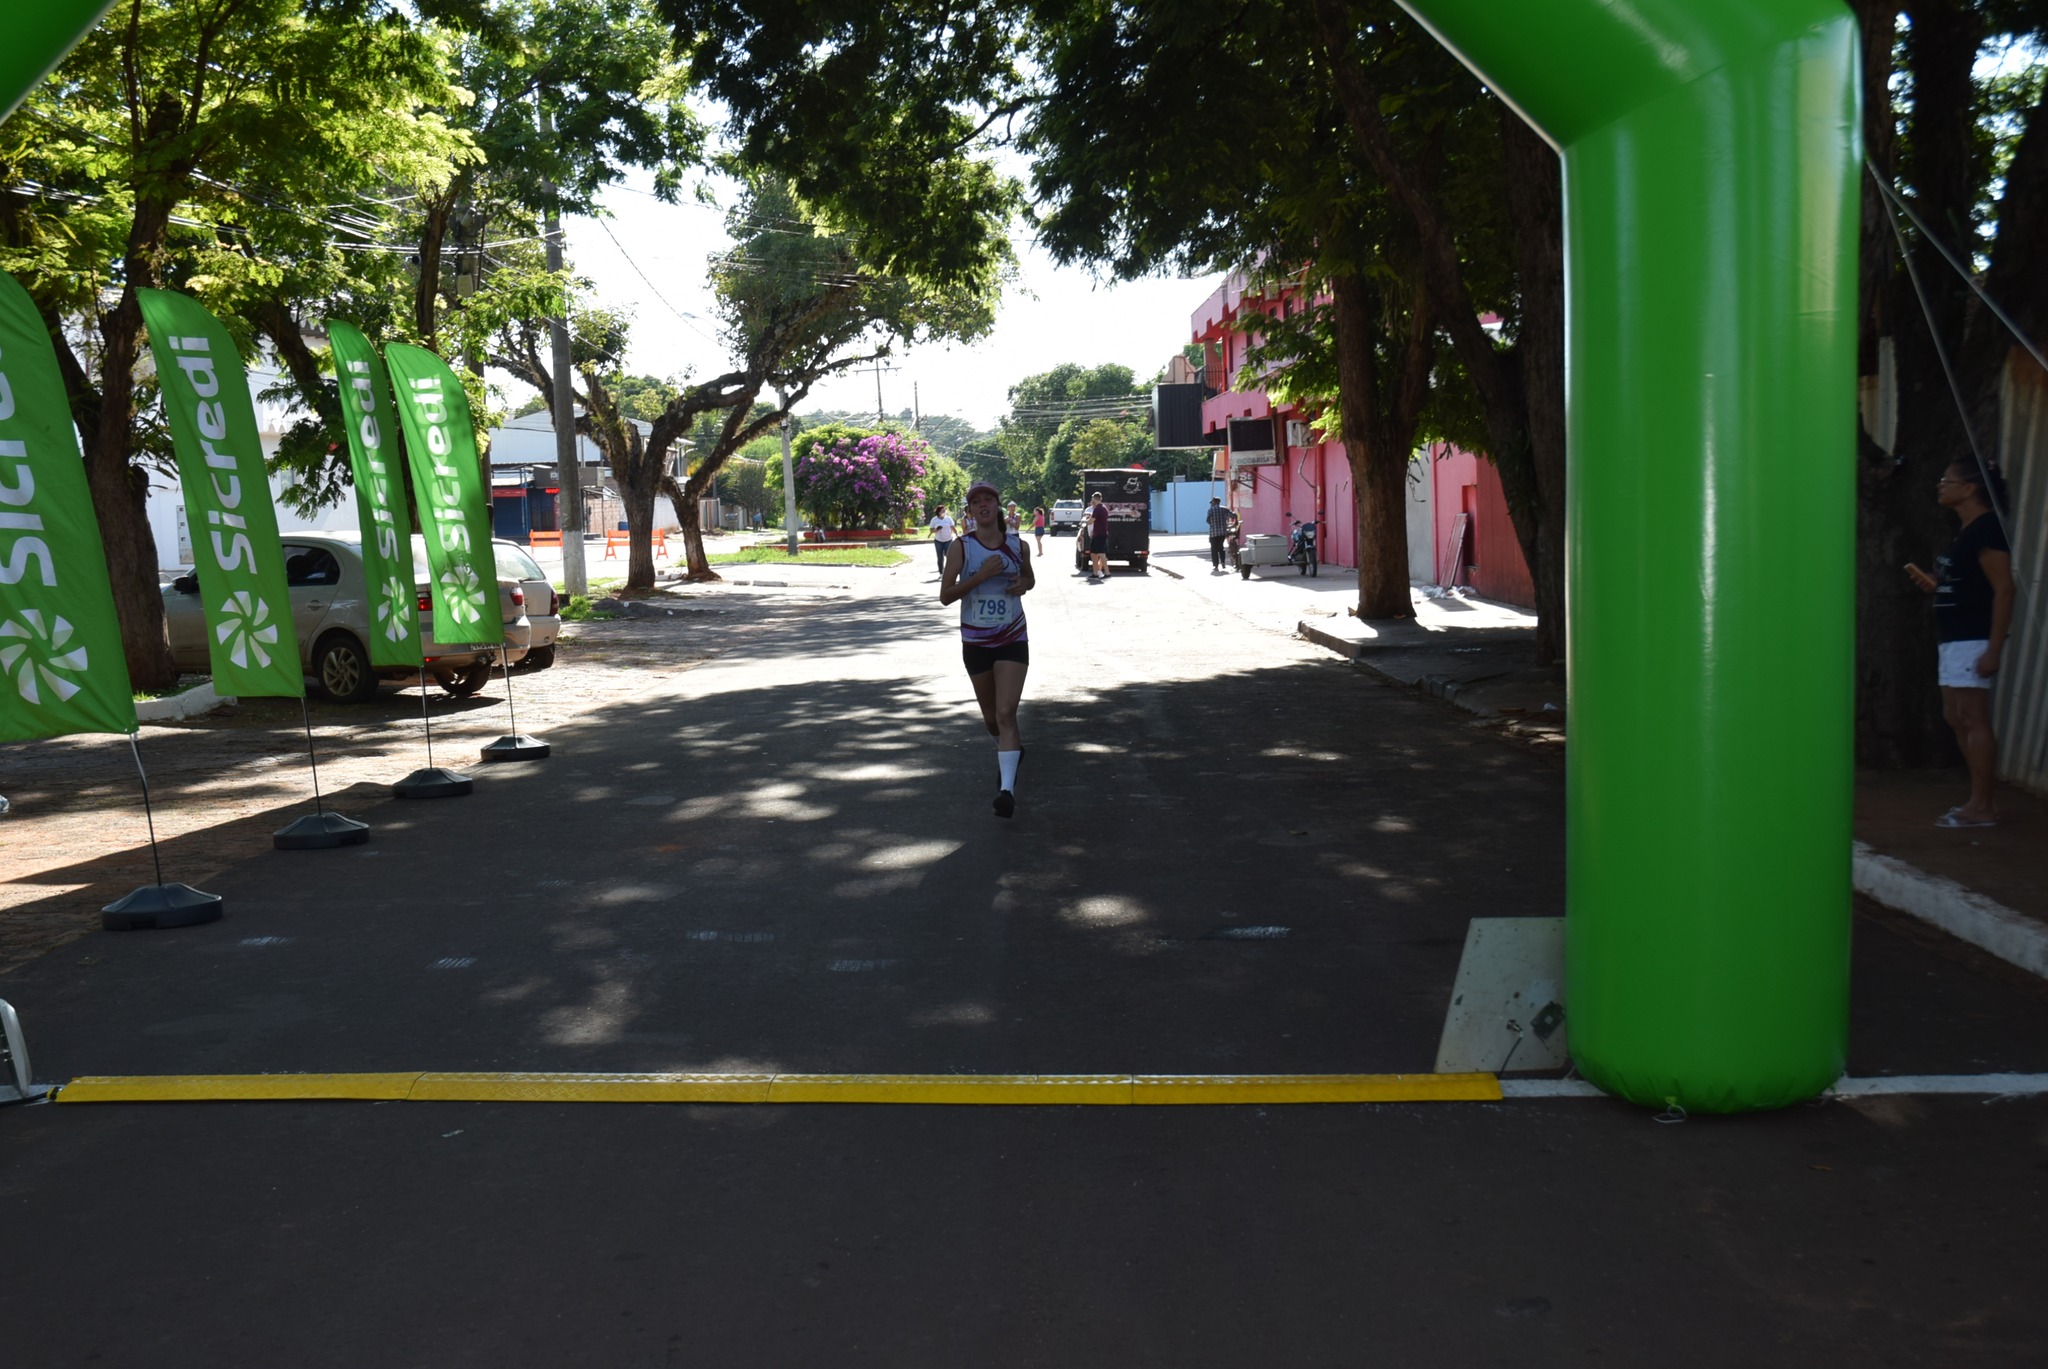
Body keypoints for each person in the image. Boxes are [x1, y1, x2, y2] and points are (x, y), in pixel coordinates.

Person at [1906, 460, 2014, 828]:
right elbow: (1967, 580)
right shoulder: (1966, 531)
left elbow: (2003, 589)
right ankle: (1978, 799)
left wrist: (1994, 648)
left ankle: (1983, 805)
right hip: (1952, 637)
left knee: (1972, 717)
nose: (1940, 486)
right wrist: (1936, 582)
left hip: (1972, 636)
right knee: (1954, 716)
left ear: (1969, 488)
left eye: (1945, 480)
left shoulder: (1987, 530)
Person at [941, 482, 1034, 818]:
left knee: (1007, 713)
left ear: (997, 507)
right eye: (975, 502)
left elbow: (1029, 580)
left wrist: (1023, 584)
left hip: (1012, 637)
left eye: (988, 500)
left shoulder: (1017, 545)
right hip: (976, 642)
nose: (982, 505)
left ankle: (1006, 791)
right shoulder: (961, 548)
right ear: (970, 512)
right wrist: (981, 576)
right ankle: (1012, 752)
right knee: (992, 719)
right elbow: (946, 595)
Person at [1086, 490, 1110, 580]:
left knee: (1101, 553)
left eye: (1092, 499)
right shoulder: (1104, 508)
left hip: (1099, 534)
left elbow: (1091, 520)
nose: (1092, 501)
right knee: (1093, 553)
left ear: (1094, 499)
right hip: (1099, 533)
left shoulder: (1098, 508)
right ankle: (1095, 573)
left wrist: (1084, 523)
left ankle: (1107, 572)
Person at [1205, 495, 1233, 572]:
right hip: (1222, 533)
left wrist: (1212, 524)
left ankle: (1216, 565)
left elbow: (1207, 520)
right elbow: (1232, 515)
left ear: (1214, 502)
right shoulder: (1224, 509)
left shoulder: (1210, 510)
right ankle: (1223, 562)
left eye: (1212, 502)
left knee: (1214, 549)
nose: (1211, 504)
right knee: (1221, 548)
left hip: (1213, 533)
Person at [926, 505, 956, 574]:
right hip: (938, 541)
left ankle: (949, 571)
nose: (944, 512)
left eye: (945, 510)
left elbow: (952, 527)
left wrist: (957, 535)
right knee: (940, 557)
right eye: (942, 511)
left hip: (948, 540)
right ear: (938, 512)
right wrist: (936, 530)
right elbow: (931, 529)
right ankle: (941, 572)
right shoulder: (934, 520)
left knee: (948, 555)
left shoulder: (948, 519)